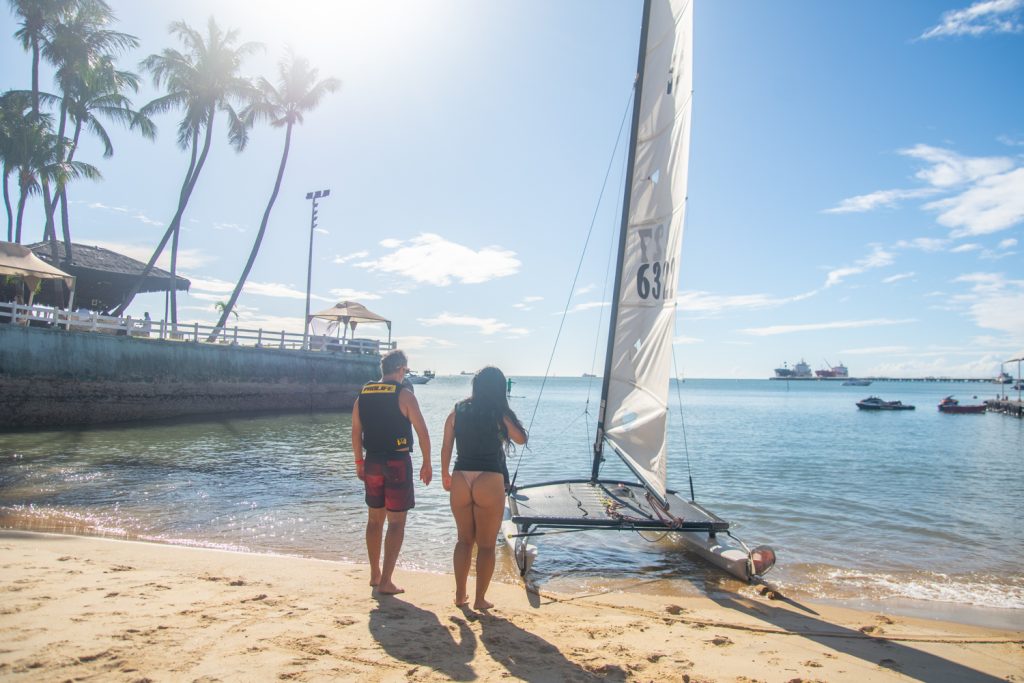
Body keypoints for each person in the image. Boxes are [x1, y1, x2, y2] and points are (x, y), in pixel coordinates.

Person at [440, 366, 527, 610]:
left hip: (461, 477)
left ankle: (459, 596)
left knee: (463, 541)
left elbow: (447, 445)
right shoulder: (499, 413)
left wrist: (445, 474)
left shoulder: (457, 410)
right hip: (489, 478)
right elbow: (521, 439)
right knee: (487, 545)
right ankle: (479, 599)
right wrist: (505, 416)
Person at [352, 349, 432, 595]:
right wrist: (427, 463)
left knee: (374, 520)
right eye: (405, 370)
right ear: (400, 370)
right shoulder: (404, 395)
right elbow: (422, 432)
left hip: (372, 461)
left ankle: (375, 574)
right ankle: (386, 580)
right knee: (396, 523)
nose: (405, 374)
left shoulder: (362, 395)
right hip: (397, 461)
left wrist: (358, 462)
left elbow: (356, 431)